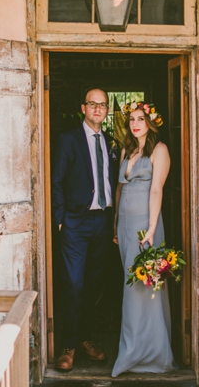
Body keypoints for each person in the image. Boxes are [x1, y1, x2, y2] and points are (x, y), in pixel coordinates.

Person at [51, 88, 115, 372]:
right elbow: (56, 181)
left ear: (107, 110)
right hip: (76, 223)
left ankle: (87, 338)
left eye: (102, 105)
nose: (98, 109)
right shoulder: (68, 139)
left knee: (94, 284)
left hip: (102, 222)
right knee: (74, 284)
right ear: (83, 108)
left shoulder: (110, 141)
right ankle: (68, 344)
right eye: (93, 104)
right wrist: (61, 219)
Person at [112, 101, 178, 377]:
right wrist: (115, 222)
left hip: (145, 225)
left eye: (141, 119)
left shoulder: (159, 150)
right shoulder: (128, 149)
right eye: (131, 120)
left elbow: (156, 191)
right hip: (125, 225)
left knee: (142, 285)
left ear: (151, 122)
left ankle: (147, 352)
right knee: (129, 280)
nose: (135, 123)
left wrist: (151, 228)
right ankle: (133, 348)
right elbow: (119, 188)